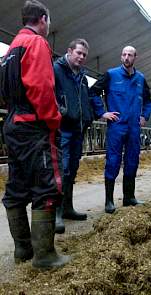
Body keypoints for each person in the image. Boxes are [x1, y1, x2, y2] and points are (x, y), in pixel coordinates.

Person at [0, 0, 70, 268]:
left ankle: (23, 249)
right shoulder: (37, 43)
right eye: (48, 21)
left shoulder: (11, 50)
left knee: (17, 186)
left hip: (13, 123)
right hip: (34, 125)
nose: (48, 25)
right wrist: (53, 121)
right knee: (48, 186)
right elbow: (42, 87)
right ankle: (45, 255)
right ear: (42, 19)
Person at [91, 45, 151, 214]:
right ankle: (109, 201)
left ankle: (129, 197)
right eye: (124, 55)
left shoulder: (140, 79)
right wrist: (102, 112)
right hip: (117, 126)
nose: (127, 58)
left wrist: (144, 116)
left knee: (133, 160)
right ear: (121, 57)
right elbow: (93, 92)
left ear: (135, 58)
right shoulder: (111, 75)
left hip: (133, 127)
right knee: (113, 161)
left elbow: (148, 101)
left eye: (130, 55)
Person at [53, 38, 95, 233]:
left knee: (73, 168)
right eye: (78, 53)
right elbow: (50, 95)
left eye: (84, 55)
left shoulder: (83, 77)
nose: (81, 57)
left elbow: (84, 100)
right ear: (69, 51)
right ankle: (57, 213)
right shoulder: (56, 70)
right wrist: (61, 111)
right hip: (63, 128)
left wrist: (89, 117)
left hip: (78, 129)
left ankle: (68, 207)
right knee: (62, 169)